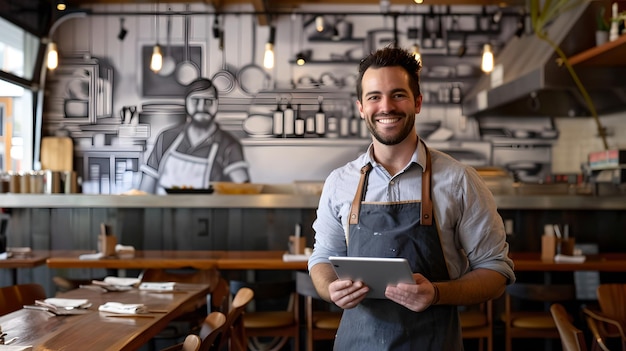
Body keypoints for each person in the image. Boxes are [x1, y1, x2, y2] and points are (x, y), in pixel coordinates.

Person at [307, 46, 516, 350]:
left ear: (418, 102)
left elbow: (496, 270)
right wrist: (330, 288)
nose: (386, 106)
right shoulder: (339, 182)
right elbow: (322, 257)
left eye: (398, 95)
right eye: (374, 97)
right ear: (360, 107)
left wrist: (437, 293)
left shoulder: (459, 180)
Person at [139, 78, 250, 194]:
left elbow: (244, 190)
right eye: (195, 101)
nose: (201, 108)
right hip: (163, 211)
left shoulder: (228, 144)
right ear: (186, 102)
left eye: (208, 101)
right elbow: (146, 187)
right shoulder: (166, 138)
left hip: (205, 212)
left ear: (217, 104)